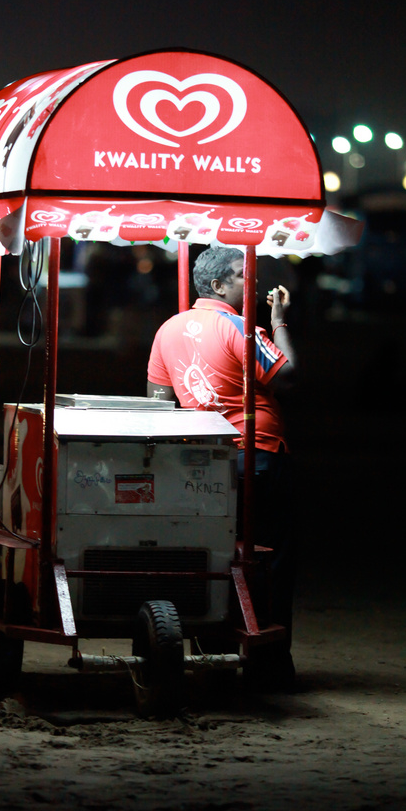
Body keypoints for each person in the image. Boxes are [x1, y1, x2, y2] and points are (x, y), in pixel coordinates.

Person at [147, 246, 297, 687]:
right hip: (259, 455)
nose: (250, 283)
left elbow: (159, 402)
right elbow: (288, 375)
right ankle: (270, 664)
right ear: (216, 286)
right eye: (240, 275)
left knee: (213, 557)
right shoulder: (238, 327)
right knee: (271, 560)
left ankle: (212, 648)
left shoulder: (168, 329)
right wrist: (280, 322)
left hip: (203, 466)